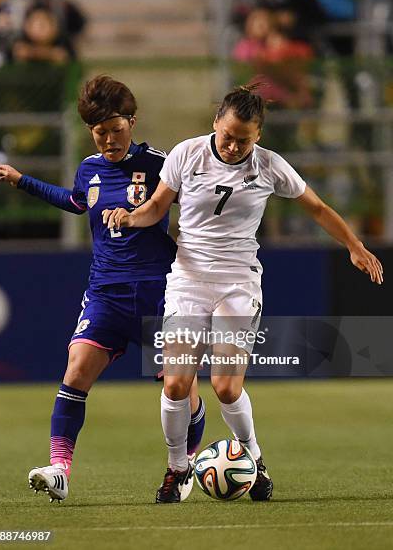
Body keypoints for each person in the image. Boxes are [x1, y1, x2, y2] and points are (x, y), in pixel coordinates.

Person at [103, 83, 384, 503]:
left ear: (259, 136)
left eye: (244, 140)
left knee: (226, 388)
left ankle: (254, 457)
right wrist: (130, 216)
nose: (233, 146)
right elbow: (159, 207)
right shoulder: (187, 154)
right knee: (176, 385)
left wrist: (354, 245)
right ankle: (177, 469)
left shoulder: (270, 167)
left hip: (238, 282)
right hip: (188, 280)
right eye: (228, 135)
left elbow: (318, 208)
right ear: (216, 122)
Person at [0, 74, 205, 503]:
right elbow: (75, 201)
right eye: (100, 132)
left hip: (161, 293)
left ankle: (183, 466)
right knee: (75, 371)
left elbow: (197, 201)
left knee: (179, 388)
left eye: (116, 130)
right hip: (106, 291)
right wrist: (21, 180)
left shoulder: (161, 164)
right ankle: (59, 469)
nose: (109, 140)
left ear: (133, 121)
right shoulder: (89, 169)